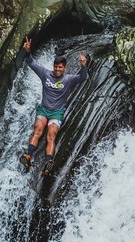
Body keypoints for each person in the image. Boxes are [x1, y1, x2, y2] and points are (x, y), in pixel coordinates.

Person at [19, 36, 88, 175]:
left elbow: (82, 78)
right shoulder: (45, 74)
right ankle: (27, 156)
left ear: (64, 68)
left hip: (57, 112)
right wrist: (27, 51)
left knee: (51, 135)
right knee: (38, 129)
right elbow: (32, 63)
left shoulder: (68, 79)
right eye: (56, 67)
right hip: (43, 109)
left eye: (60, 67)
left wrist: (83, 65)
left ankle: (48, 162)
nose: (57, 69)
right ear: (53, 67)